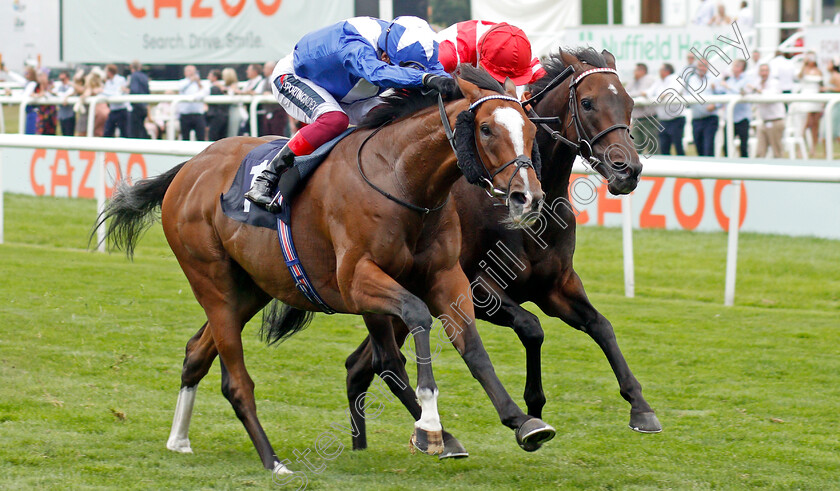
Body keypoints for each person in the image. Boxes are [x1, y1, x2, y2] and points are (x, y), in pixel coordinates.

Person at [245, 16, 455, 212]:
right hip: (295, 78)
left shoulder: (408, 45)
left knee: (393, 117)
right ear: (384, 53)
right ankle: (268, 177)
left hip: (351, 91)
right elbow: (377, 72)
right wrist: (425, 79)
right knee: (334, 120)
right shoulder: (353, 41)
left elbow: (439, 75)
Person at [436, 20, 544, 97]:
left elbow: (548, 83)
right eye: (498, 79)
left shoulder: (520, 51)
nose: (502, 85)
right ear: (481, 61)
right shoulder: (447, 54)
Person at [749, 64, 786, 158]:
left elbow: (771, 97)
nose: (764, 73)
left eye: (766, 70)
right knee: (759, 153)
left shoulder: (775, 83)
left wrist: (757, 91)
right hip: (764, 121)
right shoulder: (757, 83)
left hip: (776, 121)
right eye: (762, 71)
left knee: (777, 153)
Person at [686, 60, 721, 157]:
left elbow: (722, 96)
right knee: (698, 147)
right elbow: (687, 96)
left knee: (708, 147)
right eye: (700, 65)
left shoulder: (714, 79)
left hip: (710, 118)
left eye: (704, 66)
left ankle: (711, 171)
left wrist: (715, 105)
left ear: (708, 67)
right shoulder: (691, 79)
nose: (702, 68)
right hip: (696, 119)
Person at [651, 63, 686, 156]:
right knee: (664, 147)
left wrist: (663, 95)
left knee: (678, 146)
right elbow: (649, 92)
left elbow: (675, 91)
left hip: (676, 119)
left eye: (661, 70)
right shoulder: (658, 81)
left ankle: (683, 166)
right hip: (663, 120)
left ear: (667, 71)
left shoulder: (675, 78)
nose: (659, 72)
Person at [719, 59, 751, 157]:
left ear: (742, 68)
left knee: (743, 147)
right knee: (726, 146)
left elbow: (743, 92)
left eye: (736, 66)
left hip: (742, 118)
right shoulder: (729, 79)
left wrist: (728, 87)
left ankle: (745, 169)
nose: (733, 68)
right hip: (729, 118)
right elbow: (720, 91)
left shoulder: (747, 79)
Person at [796, 53, 824, 157]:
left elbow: (821, 85)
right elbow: (799, 76)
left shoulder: (818, 71)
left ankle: (813, 149)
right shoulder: (804, 69)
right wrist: (804, 63)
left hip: (816, 98)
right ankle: (800, 148)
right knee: (805, 124)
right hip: (806, 98)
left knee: (815, 125)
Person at [625, 63, 658, 149]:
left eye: (636, 70)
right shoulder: (633, 81)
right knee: (636, 144)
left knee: (652, 144)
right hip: (637, 118)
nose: (634, 73)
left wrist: (633, 94)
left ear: (642, 71)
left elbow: (643, 93)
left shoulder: (649, 79)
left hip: (649, 118)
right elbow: (625, 93)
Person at [178, 65, 208, 140]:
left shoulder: (200, 83)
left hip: (198, 115)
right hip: (185, 115)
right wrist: (190, 81)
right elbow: (181, 88)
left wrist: (198, 83)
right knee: (185, 138)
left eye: (193, 71)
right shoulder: (182, 82)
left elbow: (204, 91)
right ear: (185, 73)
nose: (191, 73)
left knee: (201, 137)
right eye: (189, 71)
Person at [103, 64, 130, 137]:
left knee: (124, 134)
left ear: (109, 72)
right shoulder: (108, 82)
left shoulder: (121, 80)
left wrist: (102, 91)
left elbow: (117, 94)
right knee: (107, 133)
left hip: (121, 111)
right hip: (113, 111)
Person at [127, 60, 150, 138]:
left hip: (137, 105)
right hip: (144, 105)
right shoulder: (144, 76)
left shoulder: (134, 76)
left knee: (135, 129)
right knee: (140, 126)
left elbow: (134, 90)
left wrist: (127, 90)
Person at [822, 60, 840, 154]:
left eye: (829, 63)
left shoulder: (836, 76)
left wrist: (828, 88)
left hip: (835, 108)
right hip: (831, 108)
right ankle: (827, 155)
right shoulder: (831, 76)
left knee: (831, 132)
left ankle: (828, 155)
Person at [206, 69, 229, 141]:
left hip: (215, 116)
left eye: (209, 76)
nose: (208, 77)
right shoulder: (223, 87)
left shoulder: (214, 88)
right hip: (224, 115)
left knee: (213, 137)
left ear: (215, 77)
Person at [52, 71, 77, 136]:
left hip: (69, 115)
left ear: (68, 78)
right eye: (61, 79)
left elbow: (71, 92)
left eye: (63, 79)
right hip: (62, 115)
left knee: (69, 134)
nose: (62, 81)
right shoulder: (59, 87)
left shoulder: (71, 86)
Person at [33, 68, 57, 135]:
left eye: (43, 75)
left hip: (51, 115)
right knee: (39, 134)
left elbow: (53, 93)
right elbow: (34, 94)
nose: (41, 77)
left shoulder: (52, 85)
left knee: (50, 135)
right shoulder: (36, 86)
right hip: (41, 114)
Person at [221, 67, 242, 138]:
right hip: (231, 110)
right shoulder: (228, 86)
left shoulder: (234, 86)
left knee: (233, 133)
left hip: (235, 110)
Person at [22, 65, 38, 134]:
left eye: (26, 73)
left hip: (32, 112)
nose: (25, 75)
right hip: (28, 112)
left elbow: (25, 95)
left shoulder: (32, 83)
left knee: (30, 133)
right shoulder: (27, 83)